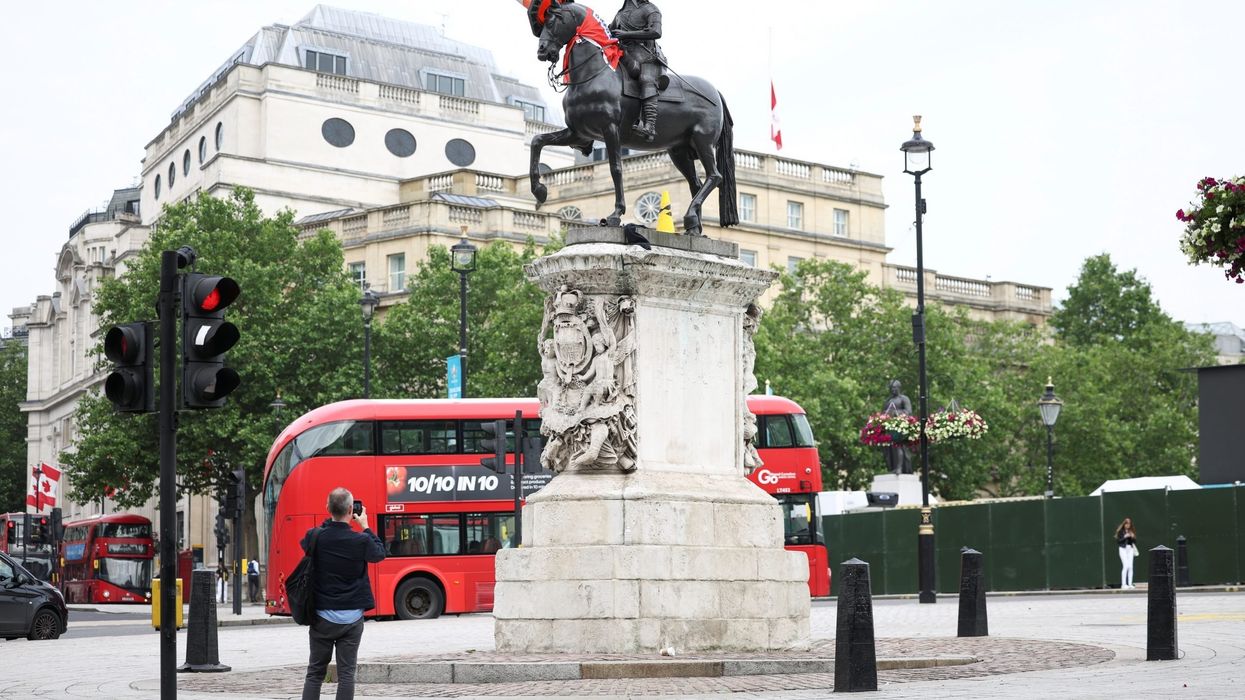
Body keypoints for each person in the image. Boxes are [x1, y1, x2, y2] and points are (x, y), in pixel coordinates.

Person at [300, 488, 386, 700]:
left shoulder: (315, 536)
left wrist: (331, 522)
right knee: (347, 674)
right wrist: (364, 525)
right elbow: (379, 554)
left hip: (322, 616)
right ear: (351, 510)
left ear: (327, 508)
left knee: (315, 673)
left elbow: (308, 545)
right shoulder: (361, 541)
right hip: (352, 617)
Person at [610, 0, 665, 141]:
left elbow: (656, 32)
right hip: (624, 54)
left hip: (647, 55)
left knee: (646, 79)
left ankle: (650, 126)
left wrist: (626, 35)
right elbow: (609, 31)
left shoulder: (650, 9)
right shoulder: (620, 13)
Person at [882, 380, 914, 475]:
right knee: (888, 451)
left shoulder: (904, 399)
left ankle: (900, 468)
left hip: (900, 428)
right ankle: (893, 467)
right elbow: (883, 412)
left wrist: (897, 413)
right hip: (889, 428)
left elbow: (908, 411)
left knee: (899, 447)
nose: (893, 390)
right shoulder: (888, 400)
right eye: (891, 388)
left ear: (899, 388)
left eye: (895, 387)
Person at [1115, 517, 1138, 589]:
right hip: (1123, 549)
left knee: (1130, 566)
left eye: (1129, 524)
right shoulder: (1121, 532)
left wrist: (1133, 537)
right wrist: (1125, 536)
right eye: (1126, 524)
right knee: (1125, 566)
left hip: (1130, 549)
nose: (1128, 525)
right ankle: (1123, 584)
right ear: (1124, 524)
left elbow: (1134, 542)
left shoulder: (1131, 531)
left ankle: (1130, 584)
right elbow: (1119, 541)